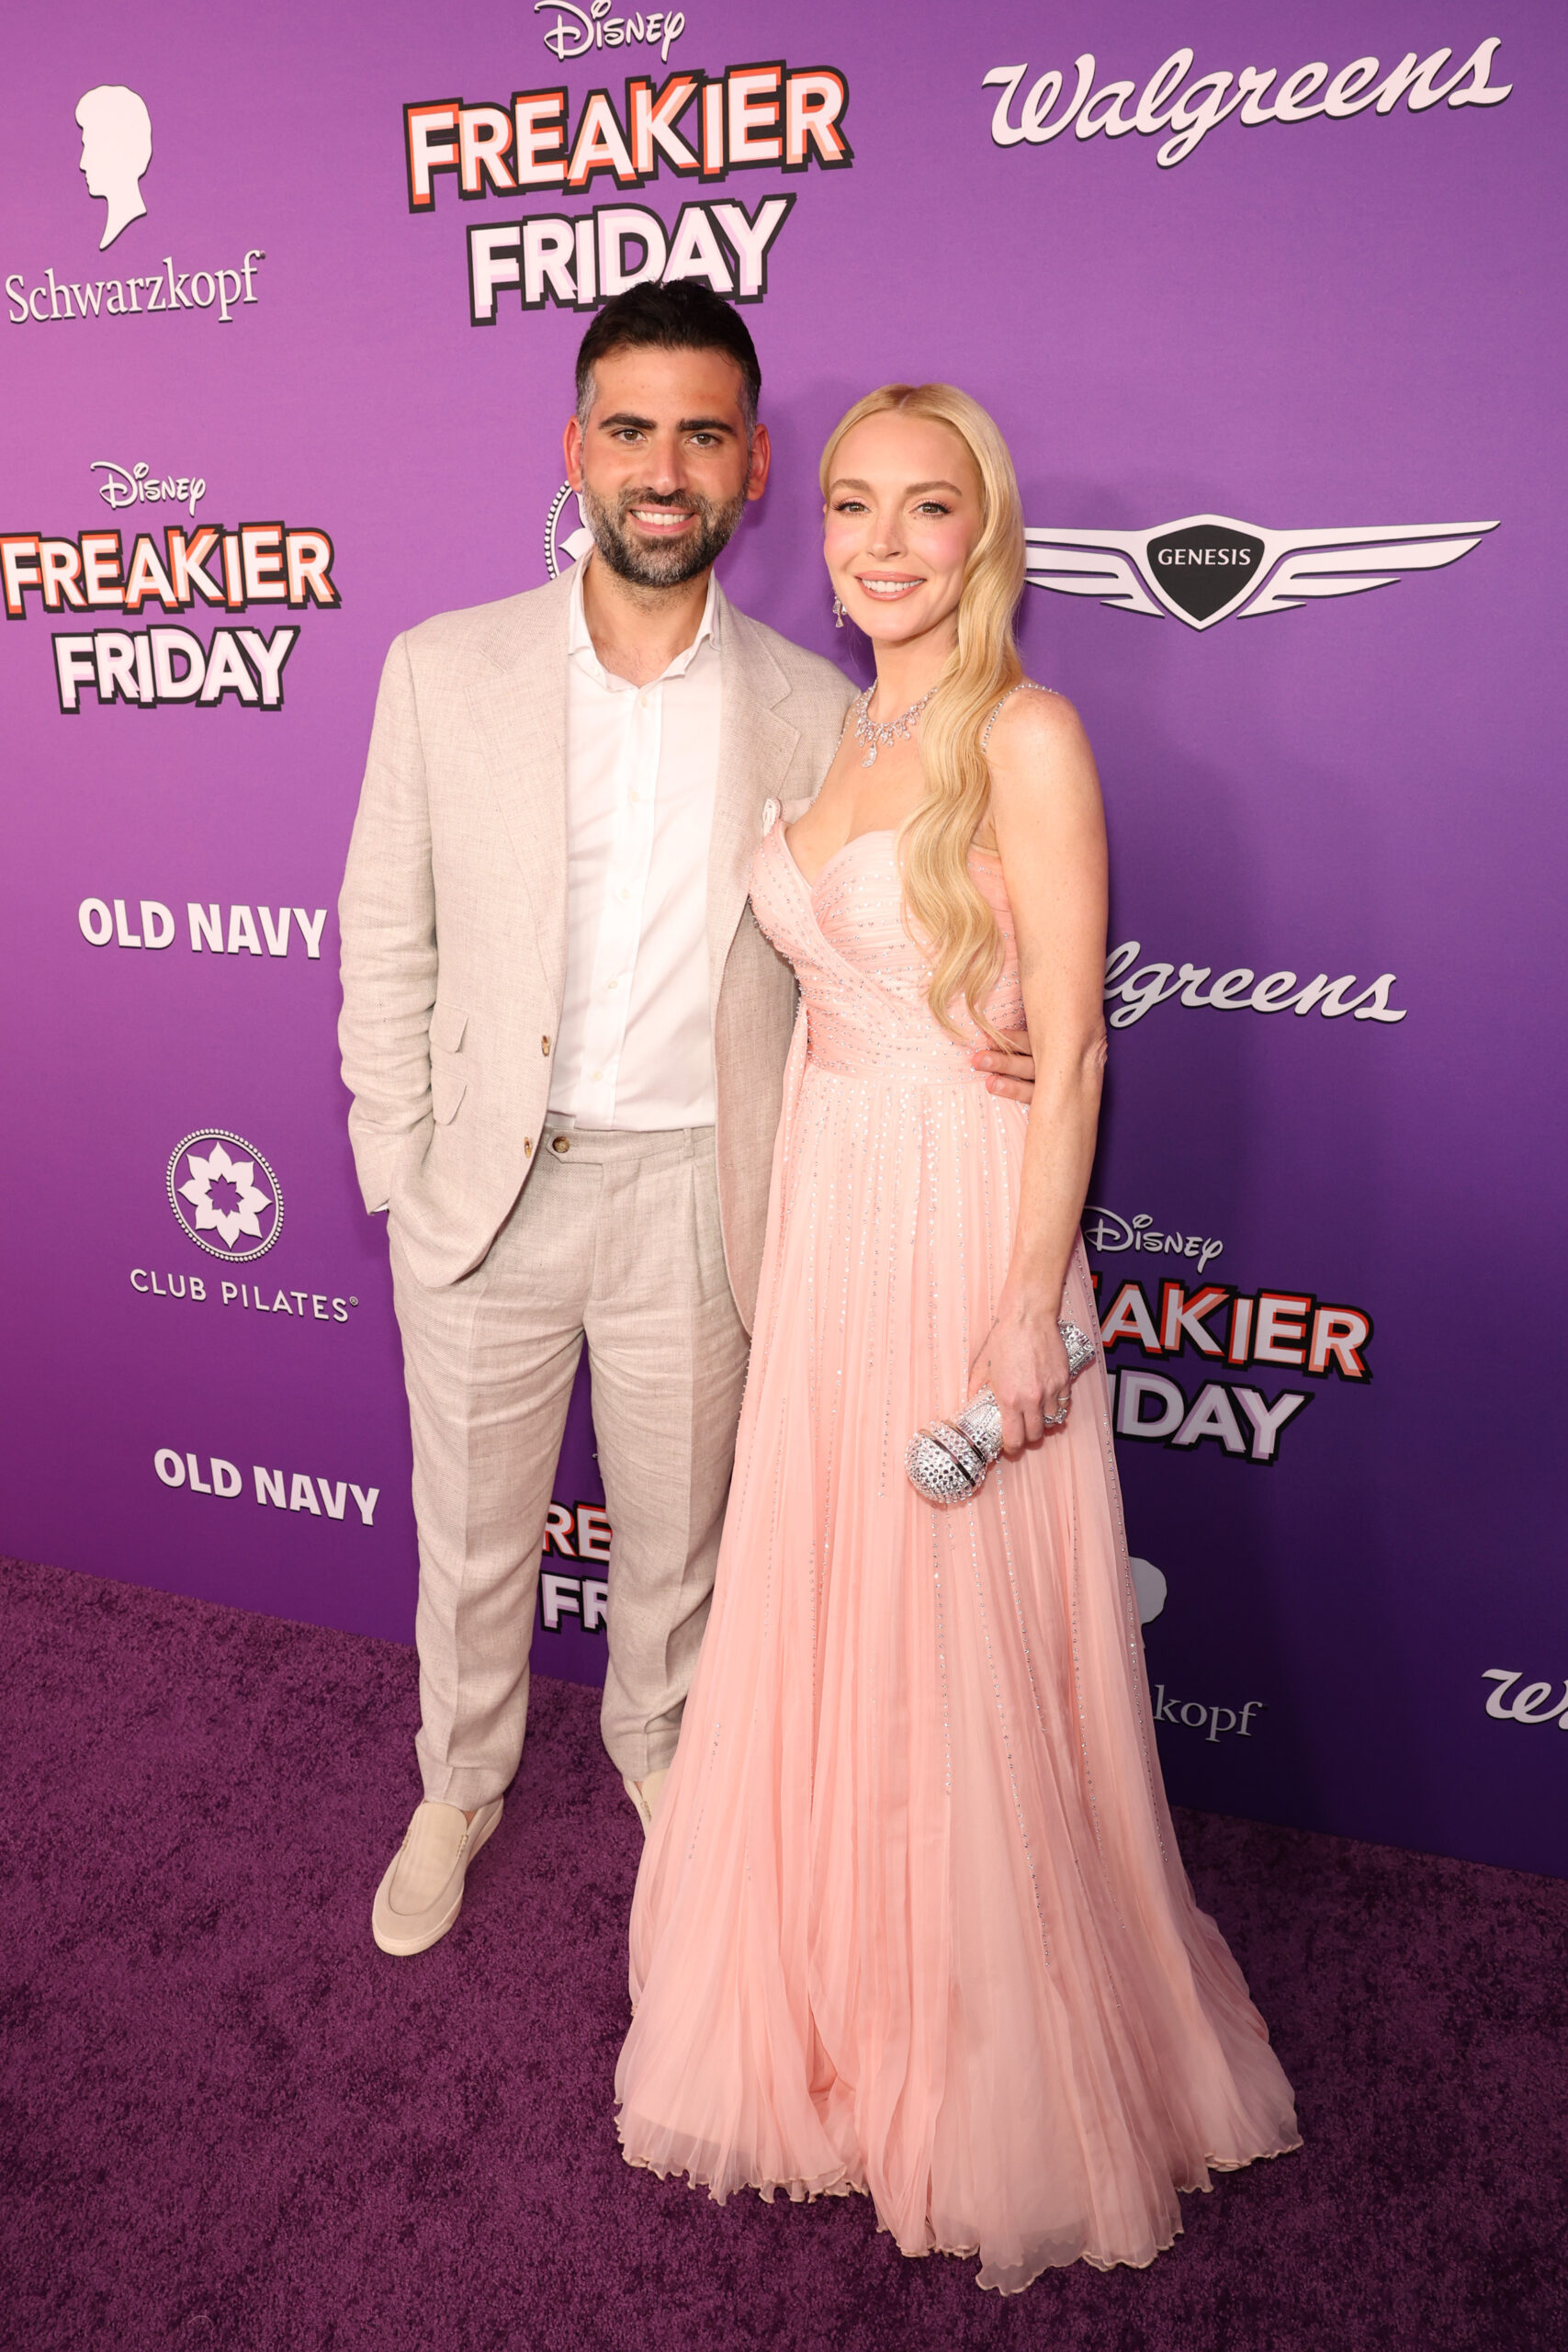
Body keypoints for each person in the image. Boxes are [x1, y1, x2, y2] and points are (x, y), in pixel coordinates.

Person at [615, 383, 1300, 2290]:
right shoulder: (841, 726)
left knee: (963, 1629)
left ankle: (979, 2046)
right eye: (853, 504)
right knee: (837, 1606)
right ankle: (838, 1989)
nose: (884, 542)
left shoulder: (1025, 730)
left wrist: (1024, 1298)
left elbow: (1067, 1047)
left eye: (929, 506)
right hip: (832, 1214)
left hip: (963, 1224)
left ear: (984, 531)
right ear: (814, 526)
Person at [337, 290, 1038, 1958]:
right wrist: (399, 1163)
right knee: (471, 1543)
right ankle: (460, 1783)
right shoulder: (442, 669)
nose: (665, 468)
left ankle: (662, 1751)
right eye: (632, 430)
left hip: (704, 1200)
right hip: (489, 1197)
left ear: (752, 466)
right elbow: (385, 935)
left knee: (679, 1544)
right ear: (576, 450)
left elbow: (882, 928)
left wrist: (994, 1032)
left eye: (703, 434)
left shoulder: (821, 707)